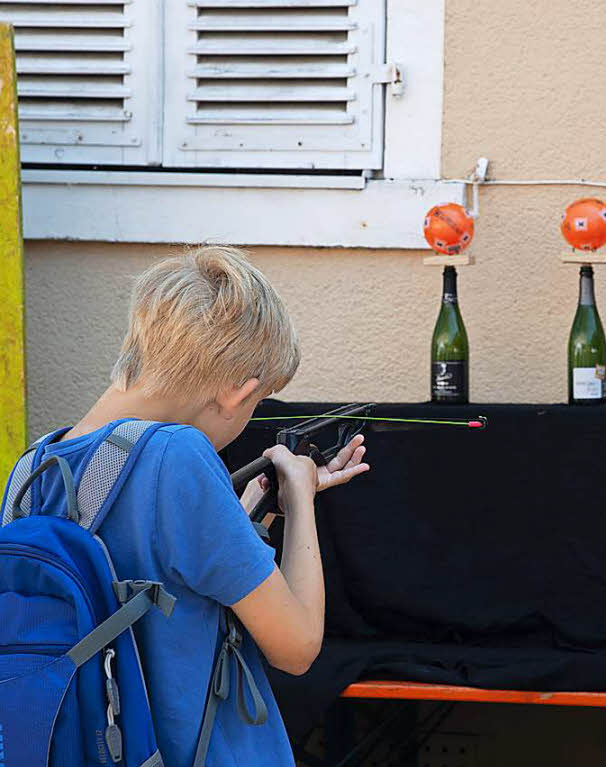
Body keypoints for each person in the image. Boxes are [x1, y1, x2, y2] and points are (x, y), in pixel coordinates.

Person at [2, 246, 369, 766]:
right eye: (259, 400)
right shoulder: (178, 455)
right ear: (235, 391)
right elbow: (297, 646)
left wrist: (244, 512)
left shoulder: (32, 470)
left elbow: (147, 565)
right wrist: (302, 499)